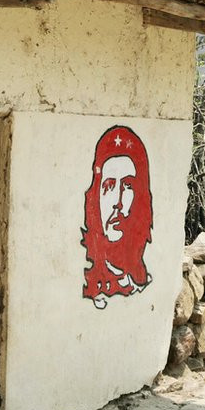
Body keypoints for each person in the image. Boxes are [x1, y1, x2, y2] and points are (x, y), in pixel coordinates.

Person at [81, 126, 153, 309]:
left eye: (128, 185)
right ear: (95, 197)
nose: (118, 202)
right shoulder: (87, 277)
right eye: (109, 186)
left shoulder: (140, 280)